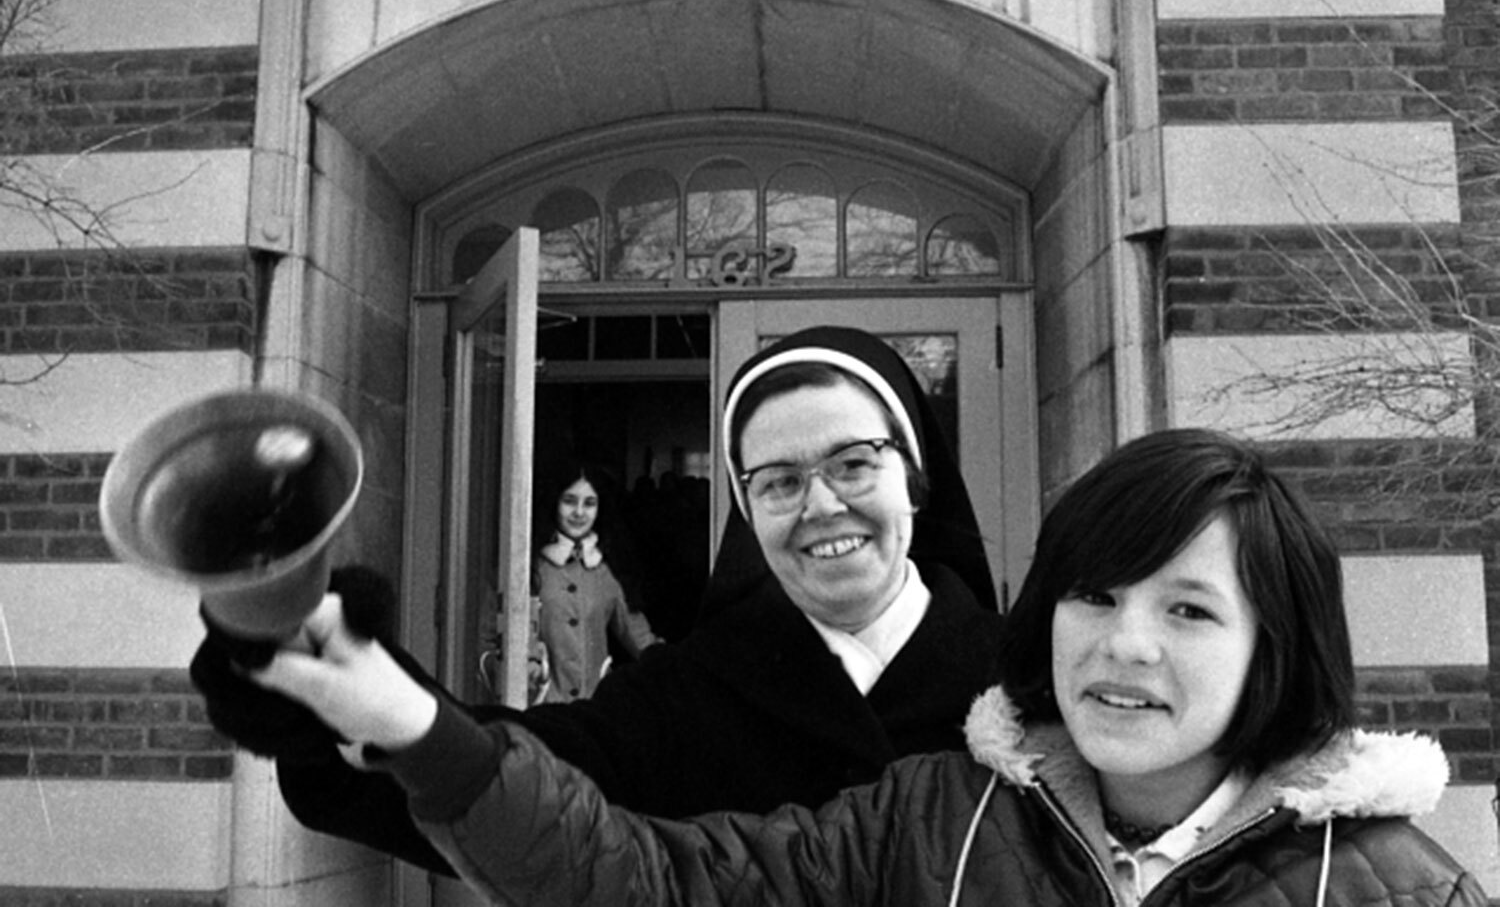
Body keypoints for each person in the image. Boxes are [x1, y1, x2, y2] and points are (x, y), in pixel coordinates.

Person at [249, 428, 1487, 907]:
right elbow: (634, 873)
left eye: (1192, 611)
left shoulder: (1390, 889)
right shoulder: (934, 819)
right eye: (1094, 595)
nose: (1124, 645)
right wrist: (403, 719)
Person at [190, 326, 1003, 872]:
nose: (822, 505)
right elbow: (498, 777)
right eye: (780, 482)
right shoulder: (689, 695)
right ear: (748, 512)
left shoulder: (1028, 679)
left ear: (916, 477)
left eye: (854, 463)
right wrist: (316, 676)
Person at [527, 463, 657, 703]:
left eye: (589, 503)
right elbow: (491, 642)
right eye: (569, 501)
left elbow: (641, 641)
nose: (579, 512)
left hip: (592, 712)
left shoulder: (609, 569)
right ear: (554, 502)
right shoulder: (526, 566)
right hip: (535, 710)